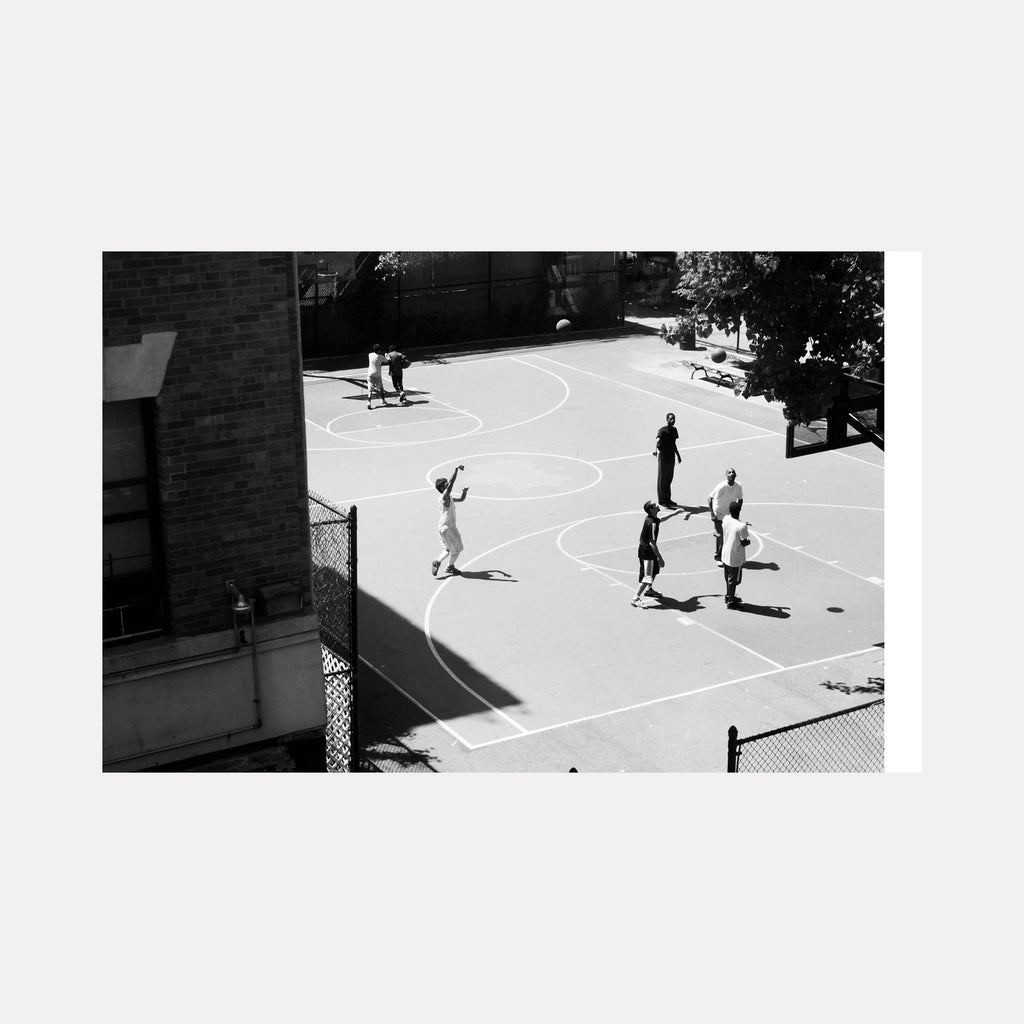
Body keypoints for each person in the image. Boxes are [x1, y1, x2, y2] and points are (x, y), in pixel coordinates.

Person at [631, 499, 685, 608]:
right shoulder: (652, 524)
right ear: (651, 509)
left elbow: (660, 519)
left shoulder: (652, 518)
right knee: (647, 577)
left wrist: (675, 513)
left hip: (649, 551)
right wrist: (660, 557)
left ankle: (649, 590)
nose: (657, 505)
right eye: (655, 505)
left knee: (655, 570)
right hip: (647, 553)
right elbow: (652, 543)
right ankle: (635, 598)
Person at [432, 464, 469, 578]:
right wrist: (456, 470)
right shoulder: (444, 497)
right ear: (443, 488)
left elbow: (462, 499)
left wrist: (464, 492)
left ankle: (437, 562)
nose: (448, 485)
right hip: (448, 528)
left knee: (448, 549)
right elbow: (452, 482)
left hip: (443, 527)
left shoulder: (449, 498)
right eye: (446, 485)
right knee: (458, 549)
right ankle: (450, 567)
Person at [708, 467, 743, 566]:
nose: (731, 474)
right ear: (726, 475)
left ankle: (726, 555)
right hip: (719, 513)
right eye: (729, 472)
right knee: (720, 536)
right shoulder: (722, 486)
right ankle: (718, 557)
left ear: (735, 475)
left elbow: (740, 499)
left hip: (730, 514)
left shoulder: (738, 486)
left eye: (733, 472)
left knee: (730, 535)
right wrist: (712, 514)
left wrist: (737, 511)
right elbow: (710, 498)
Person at [720, 500, 750, 608]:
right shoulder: (741, 527)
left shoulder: (726, 519)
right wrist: (749, 540)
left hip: (725, 553)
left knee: (728, 577)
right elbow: (744, 542)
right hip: (735, 556)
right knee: (733, 579)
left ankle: (729, 596)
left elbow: (733, 525)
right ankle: (731, 602)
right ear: (740, 510)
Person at [653, 412, 682, 507]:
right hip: (663, 458)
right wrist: (655, 451)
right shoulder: (662, 430)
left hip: (671, 458)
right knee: (662, 479)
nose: (672, 420)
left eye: (674, 419)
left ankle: (668, 499)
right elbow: (658, 441)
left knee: (669, 479)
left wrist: (678, 455)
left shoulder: (674, 430)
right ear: (667, 419)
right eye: (670, 418)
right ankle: (662, 500)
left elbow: (673, 444)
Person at [367, 344, 390, 410]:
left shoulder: (370, 355)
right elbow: (388, 361)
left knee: (370, 389)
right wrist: (387, 356)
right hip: (377, 374)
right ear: (379, 350)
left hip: (370, 374)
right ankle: (383, 400)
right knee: (381, 388)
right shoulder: (381, 357)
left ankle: (369, 402)